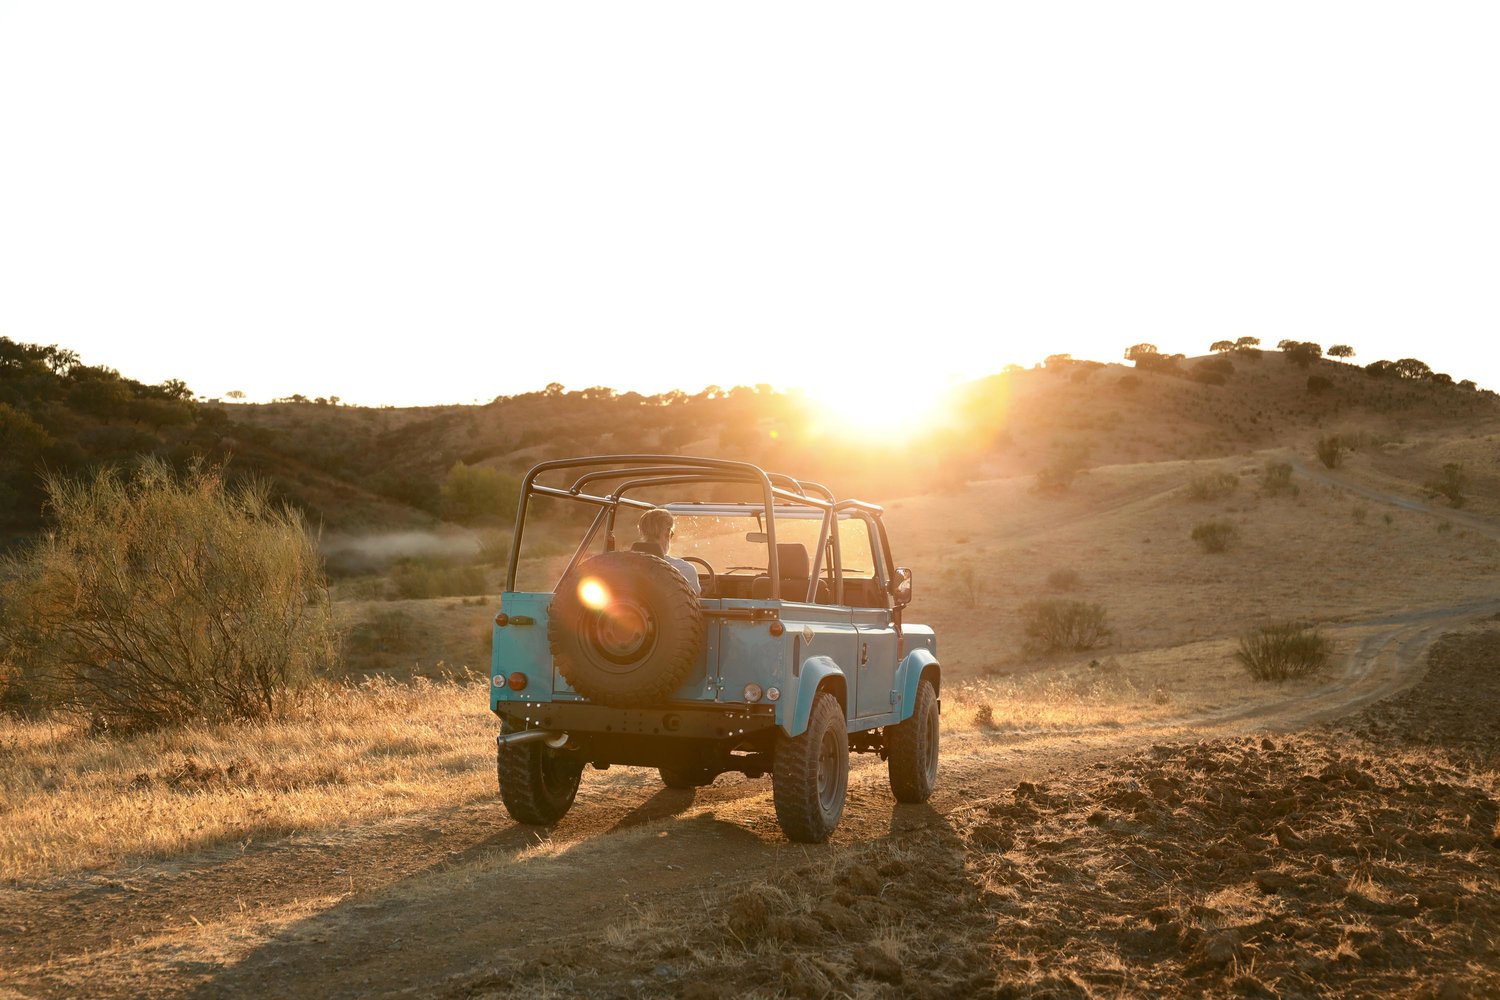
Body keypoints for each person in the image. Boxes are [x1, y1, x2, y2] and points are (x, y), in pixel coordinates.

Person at [632, 507, 700, 595]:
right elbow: (695, 600)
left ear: (642, 532)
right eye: (671, 534)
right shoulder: (684, 569)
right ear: (667, 533)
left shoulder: (623, 566)